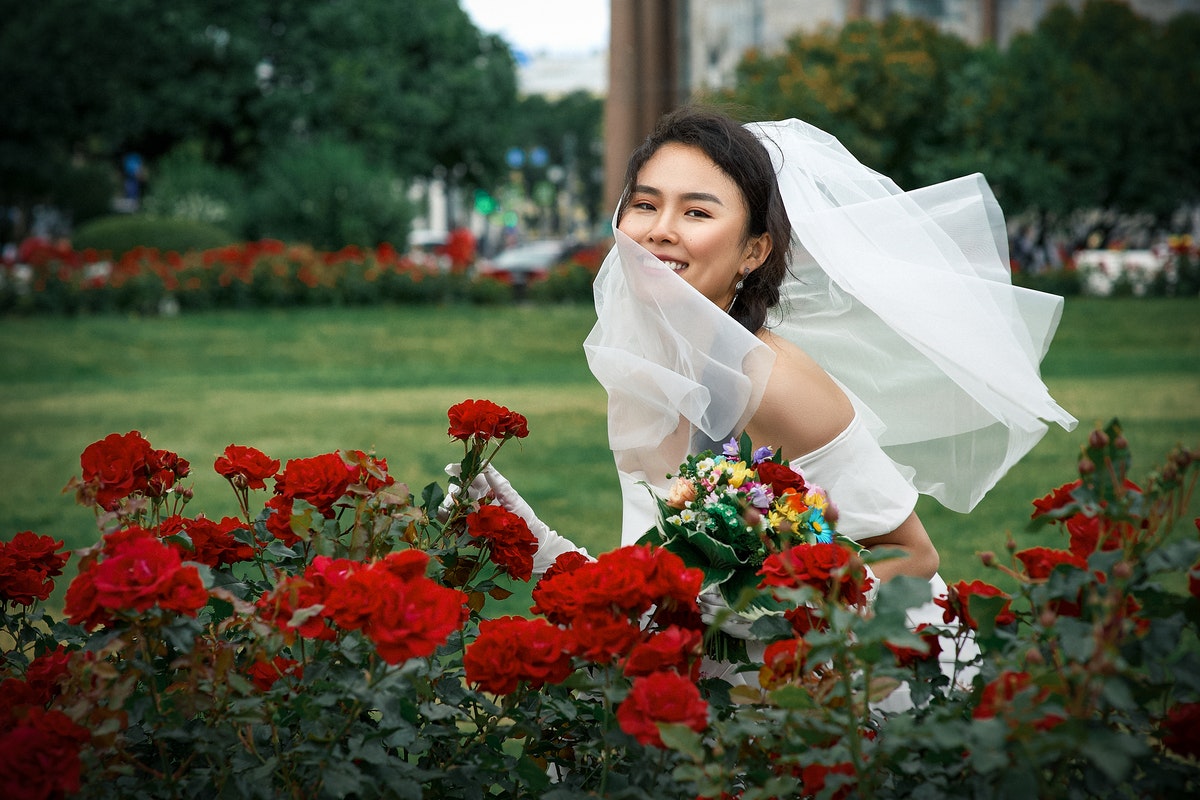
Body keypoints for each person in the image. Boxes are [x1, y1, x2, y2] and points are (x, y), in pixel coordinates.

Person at [468, 106, 1076, 685]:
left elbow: (911, 557)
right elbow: (656, 577)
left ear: (754, 251)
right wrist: (526, 534)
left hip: (859, 690)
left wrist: (760, 621)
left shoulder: (771, 383)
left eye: (697, 214)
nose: (659, 231)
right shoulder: (649, 369)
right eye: (645, 205)